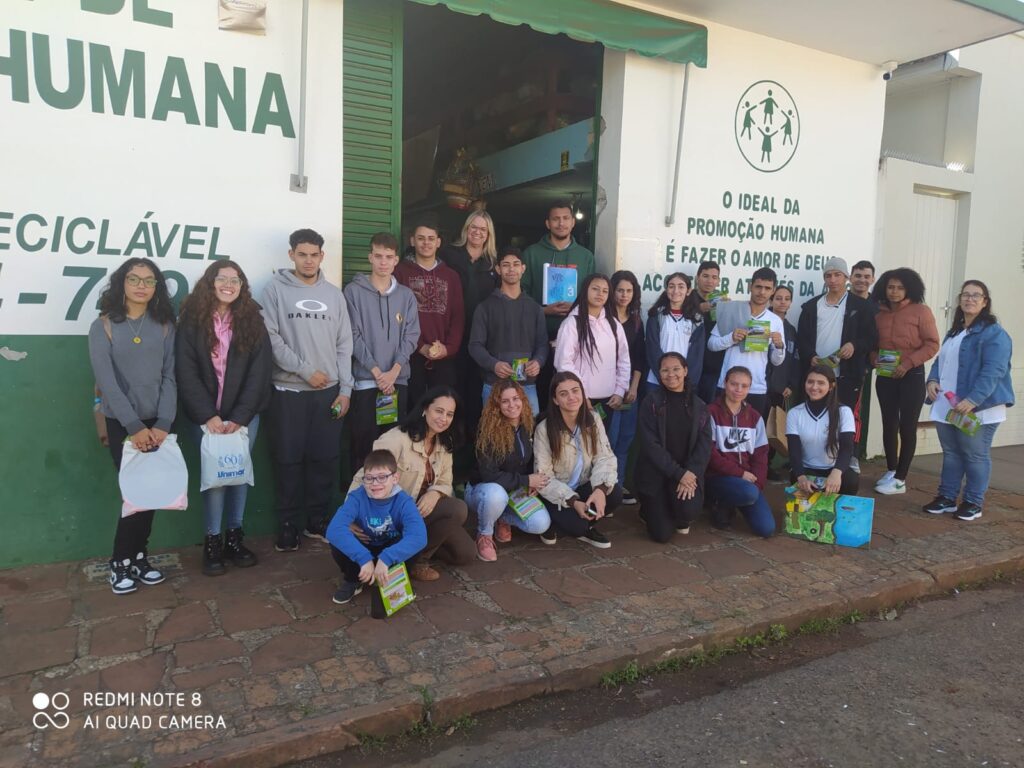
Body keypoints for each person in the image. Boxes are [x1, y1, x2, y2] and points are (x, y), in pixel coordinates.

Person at [177, 260, 272, 576]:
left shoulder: (252, 320)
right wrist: (209, 416)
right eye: (223, 278)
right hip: (204, 419)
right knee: (216, 479)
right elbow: (185, 372)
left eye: (236, 279)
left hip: (244, 417)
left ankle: (235, 537)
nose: (229, 284)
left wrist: (241, 418)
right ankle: (212, 541)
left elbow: (259, 373)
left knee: (238, 474)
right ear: (210, 282)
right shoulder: (191, 320)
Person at [88, 257, 177, 595]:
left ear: (157, 287)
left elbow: (170, 376)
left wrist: (165, 422)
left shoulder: (166, 325)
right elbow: (107, 382)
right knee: (134, 494)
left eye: (149, 280)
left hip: (159, 424)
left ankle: (140, 557)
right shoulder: (104, 326)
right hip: (123, 423)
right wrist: (134, 426)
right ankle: (120, 562)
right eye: (134, 279)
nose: (141, 286)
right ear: (121, 284)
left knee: (151, 493)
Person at [261, 228, 354, 551]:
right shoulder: (274, 291)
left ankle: (317, 521)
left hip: (328, 393)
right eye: (302, 254)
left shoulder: (334, 295)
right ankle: (288, 525)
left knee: (324, 459)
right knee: (288, 460)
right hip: (288, 393)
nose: (309, 260)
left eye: (314, 254)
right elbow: (271, 339)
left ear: (322, 256)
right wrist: (304, 370)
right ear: (291, 255)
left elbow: (345, 345)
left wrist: (346, 390)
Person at [350, 387, 475, 580]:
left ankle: (415, 551)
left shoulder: (444, 442)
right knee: (457, 508)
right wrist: (350, 515)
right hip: (393, 516)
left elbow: (445, 482)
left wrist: (435, 493)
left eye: (449, 414)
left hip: (422, 513)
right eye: (439, 411)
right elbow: (364, 476)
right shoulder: (396, 439)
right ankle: (414, 560)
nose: (443, 418)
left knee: (465, 553)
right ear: (425, 409)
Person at [923, 281, 1014, 521]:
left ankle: (973, 501)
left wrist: (973, 399)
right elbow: (940, 363)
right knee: (952, 453)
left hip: (977, 409)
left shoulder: (994, 334)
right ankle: (947, 497)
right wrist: (931, 381)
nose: (970, 299)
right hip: (948, 406)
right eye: (966, 295)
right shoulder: (955, 332)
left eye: (976, 295)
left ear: (985, 302)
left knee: (975, 455)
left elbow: (994, 370)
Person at [344, 232, 421, 473]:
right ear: (370, 257)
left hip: (397, 382)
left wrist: (393, 372)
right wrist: (378, 373)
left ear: (397, 260)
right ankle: (361, 503)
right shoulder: (353, 292)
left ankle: (389, 503)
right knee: (364, 447)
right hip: (367, 382)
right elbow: (352, 336)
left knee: (392, 448)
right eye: (378, 256)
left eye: (388, 257)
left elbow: (411, 336)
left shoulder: (406, 296)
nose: (383, 262)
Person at [796, 257, 877, 471]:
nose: (832, 280)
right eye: (828, 275)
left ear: (846, 277)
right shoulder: (812, 306)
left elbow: (871, 338)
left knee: (845, 417)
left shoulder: (861, 307)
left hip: (847, 374)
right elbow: (802, 338)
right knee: (814, 416)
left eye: (837, 275)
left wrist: (854, 345)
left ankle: (847, 460)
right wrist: (810, 356)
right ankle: (810, 460)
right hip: (816, 373)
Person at [869, 268, 940, 495]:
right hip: (885, 376)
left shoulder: (921, 311)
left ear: (909, 288)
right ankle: (891, 469)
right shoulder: (878, 314)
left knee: (907, 426)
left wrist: (907, 364)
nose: (895, 292)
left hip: (912, 375)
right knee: (888, 423)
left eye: (900, 287)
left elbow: (932, 344)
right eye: (891, 287)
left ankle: (901, 478)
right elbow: (871, 347)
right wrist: (874, 360)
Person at [326, 449, 427, 605]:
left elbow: (419, 537)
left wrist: (386, 558)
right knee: (338, 539)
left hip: (388, 551)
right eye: (369, 478)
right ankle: (353, 580)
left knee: (414, 543)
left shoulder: (404, 501)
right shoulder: (357, 497)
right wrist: (364, 558)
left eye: (382, 477)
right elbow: (334, 530)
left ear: (395, 478)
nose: (375, 483)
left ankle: (395, 580)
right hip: (364, 547)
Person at [520, 202, 596, 408]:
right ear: (548, 223)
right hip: (537, 337)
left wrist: (574, 312)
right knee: (539, 393)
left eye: (565, 218)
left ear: (573, 222)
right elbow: (520, 295)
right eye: (555, 219)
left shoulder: (586, 257)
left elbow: (593, 296)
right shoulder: (531, 253)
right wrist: (544, 310)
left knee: (570, 393)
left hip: (574, 337)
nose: (561, 223)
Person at [465, 381, 551, 561]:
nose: (512, 405)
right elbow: (489, 475)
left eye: (515, 398)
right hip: (483, 490)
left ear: (523, 400)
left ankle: (502, 517)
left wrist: (531, 483)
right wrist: (526, 481)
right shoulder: (487, 430)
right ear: (497, 405)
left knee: (541, 524)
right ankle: (484, 534)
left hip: (514, 490)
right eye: (505, 401)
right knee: (496, 495)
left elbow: (528, 462)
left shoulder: (528, 424)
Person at [534, 372, 621, 549]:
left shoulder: (593, 419)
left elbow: (605, 457)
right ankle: (556, 524)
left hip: (584, 486)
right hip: (557, 494)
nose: (571, 397)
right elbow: (543, 478)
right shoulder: (544, 429)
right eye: (563, 394)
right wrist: (573, 501)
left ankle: (586, 523)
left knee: (614, 494)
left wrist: (599, 490)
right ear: (556, 400)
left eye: (575, 391)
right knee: (576, 526)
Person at [634, 353, 712, 543]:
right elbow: (651, 446)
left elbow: (704, 445)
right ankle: (649, 509)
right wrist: (679, 474)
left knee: (688, 512)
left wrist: (692, 473)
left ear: (685, 371)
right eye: (665, 370)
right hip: (658, 474)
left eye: (676, 369)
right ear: (659, 374)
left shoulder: (700, 406)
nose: (671, 374)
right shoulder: (651, 403)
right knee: (662, 534)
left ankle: (675, 508)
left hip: (686, 474)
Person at [468, 246, 548, 415]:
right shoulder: (485, 307)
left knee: (529, 436)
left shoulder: (535, 308)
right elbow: (475, 345)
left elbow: (543, 344)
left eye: (516, 264)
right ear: (498, 269)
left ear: (523, 268)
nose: (511, 269)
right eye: (506, 265)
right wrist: (493, 364)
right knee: (495, 438)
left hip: (527, 387)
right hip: (494, 386)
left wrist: (538, 361)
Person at [441, 210, 499, 435]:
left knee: (476, 393)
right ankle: (449, 443)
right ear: (466, 229)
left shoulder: (493, 264)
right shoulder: (448, 255)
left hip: (482, 339)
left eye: (482, 229)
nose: (477, 232)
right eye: (473, 227)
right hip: (452, 335)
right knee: (450, 390)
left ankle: (473, 450)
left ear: (488, 235)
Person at [395, 221, 465, 407]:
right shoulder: (400, 272)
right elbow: (397, 317)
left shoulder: (451, 276)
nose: (426, 243)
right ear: (412, 241)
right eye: (421, 238)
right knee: (413, 409)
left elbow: (458, 317)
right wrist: (419, 346)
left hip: (443, 356)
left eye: (431, 239)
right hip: (410, 355)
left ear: (439, 242)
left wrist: (448, 348)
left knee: (442, 408)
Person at [553, 273, 630, 430]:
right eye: (595, 289)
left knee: (602, 448)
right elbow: (563, 362)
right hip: (580, 400)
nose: (600, 294)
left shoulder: (614, 324)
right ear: (585, 290)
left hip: (609, 399)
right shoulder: (572, 324)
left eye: (605, 291)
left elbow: (623, 359)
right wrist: (580, 394)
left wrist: (620, 391)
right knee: (579, 448)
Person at [707, 267, 786, 416]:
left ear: (773, 290)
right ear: (750, 286)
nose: (762, 292)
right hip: (727, 384)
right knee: (721, 432)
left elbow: (777, 361)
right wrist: (730, 338)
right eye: (758, 287)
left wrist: (779, 346)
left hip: (756, 387)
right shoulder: (731, 310)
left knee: (751, 435)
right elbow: (711, 344)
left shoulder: (775, 320)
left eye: (767, 288)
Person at [705, 366, 774, 537]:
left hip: (747, 482)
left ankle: (737, 500)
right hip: (717, 477)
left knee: (766, 529)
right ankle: (718, 503)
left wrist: (757, 485)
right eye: (734, 384)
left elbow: (761, 455)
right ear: (725, 384)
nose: (738, 390)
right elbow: (710, 454)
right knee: (748, 493)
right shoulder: (711, 412)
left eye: (744, 386)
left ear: (750, 388)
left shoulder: (755, 417)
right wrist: (740, 473)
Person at [786, 365, 860, 496]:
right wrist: (801, 477)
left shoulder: (844, 411)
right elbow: (794, 451)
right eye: (810, 382)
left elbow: (847, 448)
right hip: (807, 469)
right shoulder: (794, 413)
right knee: (802, 488)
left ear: (831, 386)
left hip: (834, 468)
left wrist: (836, 473)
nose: (814, 387)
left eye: (821, 383)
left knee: (850, 480)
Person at [608, 270, 645, 505]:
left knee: (624, 440)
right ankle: (607, 488)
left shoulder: (636, 321)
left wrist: (633, 387)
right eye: (620, 290)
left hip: (630, 390)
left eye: (629, 291)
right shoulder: (602, 317)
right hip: (607, 391)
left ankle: (618, 486)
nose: (624, 295)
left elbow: (639, 358)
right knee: (608, 441)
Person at [644, 272, 705, 387]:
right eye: (671, 286)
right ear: (666, 290)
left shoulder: (696, 320)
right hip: (656, 381)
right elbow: (652, 348)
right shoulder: (656, 316)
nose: (676, 291)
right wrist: (664, 376)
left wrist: (686, 381)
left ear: (688, 291)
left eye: (681, 287)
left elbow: (696, 354)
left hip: (683, 382)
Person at [693, 261, 728, 404]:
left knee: (709, 411)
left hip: (714, 366)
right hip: (692, 365)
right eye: (705, 276)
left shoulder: (722, 301)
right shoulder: (687, 299)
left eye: (714, 277)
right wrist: (698, 309)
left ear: (719, 281)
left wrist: (729, 311)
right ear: (697, 277)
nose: (710, 281)